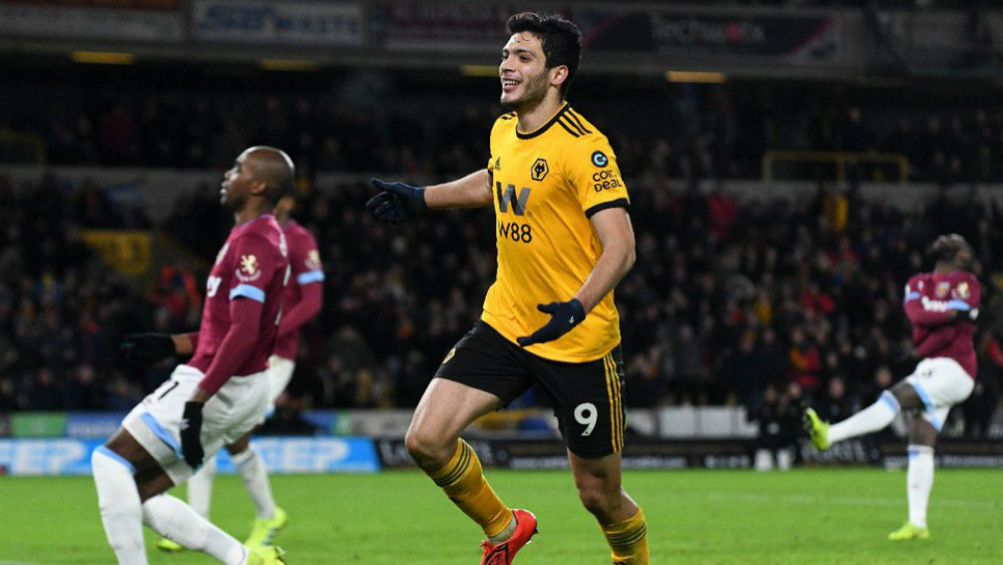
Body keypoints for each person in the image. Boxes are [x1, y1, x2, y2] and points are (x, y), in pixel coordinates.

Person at [366, 12, 648, 565]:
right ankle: (504, 528)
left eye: (523, 57)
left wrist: (578, 306)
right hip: (507, 324)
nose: (507, 66)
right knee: (425, 439)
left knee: (599, 496)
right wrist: (422, 197)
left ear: (558, 74)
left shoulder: (584, 147)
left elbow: (622, 247)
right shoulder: (504, 129)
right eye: (505, 54)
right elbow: (497, 179)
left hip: (577, 341)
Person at [100, 146, 293, 565]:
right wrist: (171, 344)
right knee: (135, 493)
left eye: (239, 168)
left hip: (221, 385)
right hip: (241, 387)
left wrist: (197, 398)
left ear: (258, 185)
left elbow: (243, 333)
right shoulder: (253, 237)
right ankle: (246, 559)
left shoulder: (255, 242)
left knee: (110, 461)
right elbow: (227, 330)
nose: (228, 174)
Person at [156, 193, 325, 552]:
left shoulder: (299, 240)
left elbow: (312, 302)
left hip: (273, 357)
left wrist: (269, 331)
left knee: (224, 429)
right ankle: (222, 517)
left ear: (289, 201)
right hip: (239, 350)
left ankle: (261, 515)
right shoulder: (249, 238)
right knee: (218, 429)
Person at [804, 234, 980, 541]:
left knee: (894, 398)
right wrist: (948, 316)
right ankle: (917, 524)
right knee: (920, 442)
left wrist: (933, 321)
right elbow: (917, 315)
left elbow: (935, 320)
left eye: (954, 239)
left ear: (963, 254)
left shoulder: (967, 283)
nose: (946, 238)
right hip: (929, 366)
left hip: (956, 368)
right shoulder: (917, 283)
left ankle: (829, 435)